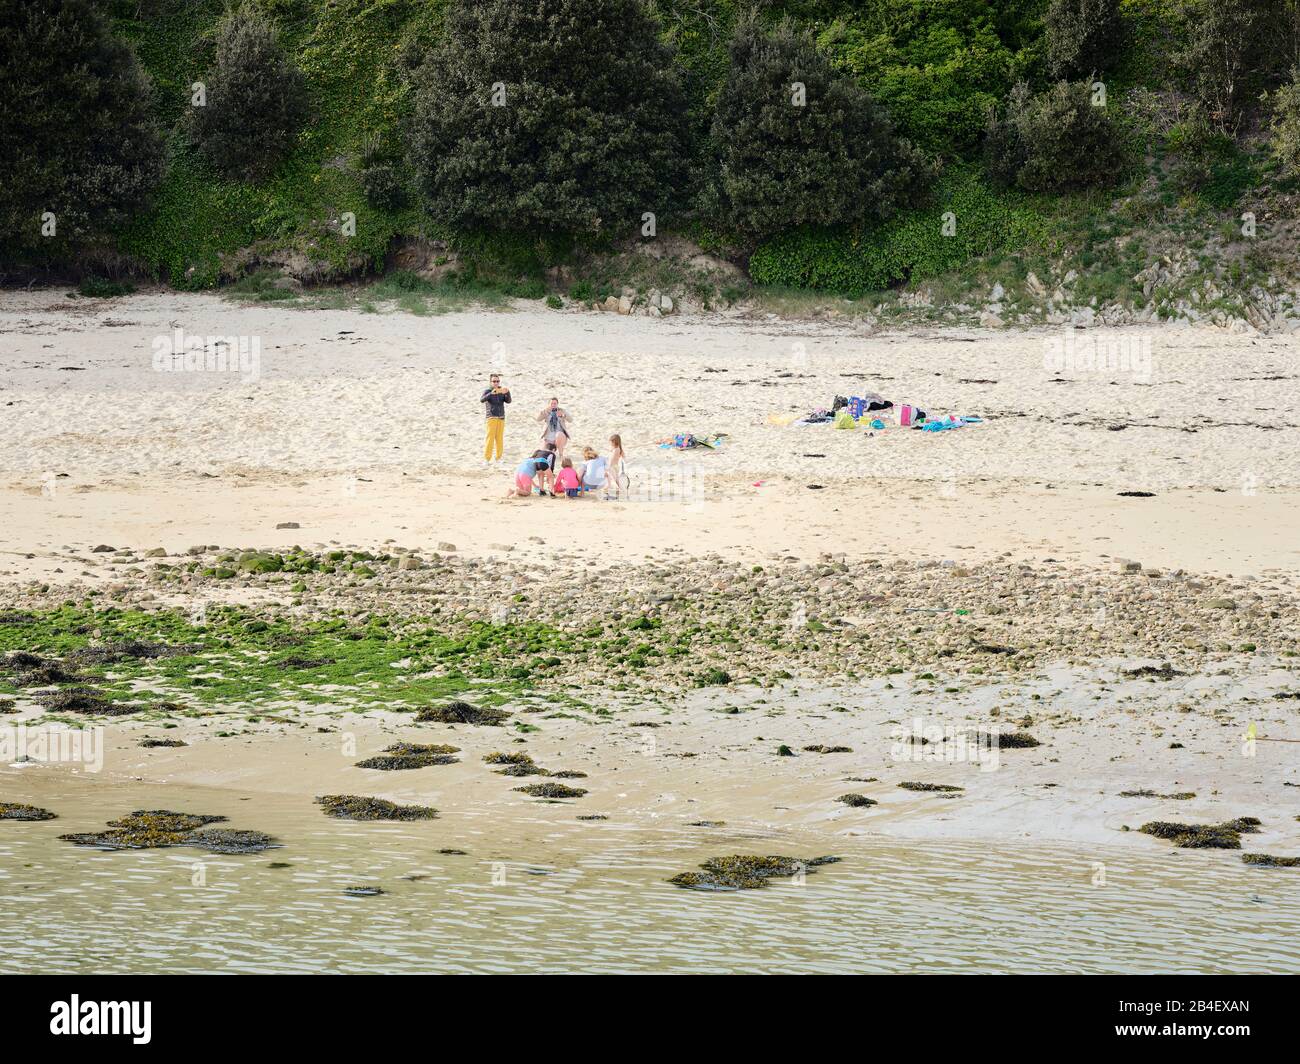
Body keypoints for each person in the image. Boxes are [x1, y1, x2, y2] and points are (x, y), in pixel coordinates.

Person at [481, 373, 511, 463]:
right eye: (494, 381)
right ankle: (487, 459)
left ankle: (498, 458)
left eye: (497, 381)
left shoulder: (501, 390)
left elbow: (508, 401)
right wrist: (491, 393)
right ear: (490, 382)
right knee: (490, 438)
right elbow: (482, 400)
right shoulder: (487, 391)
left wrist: (507, 393)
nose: (496, 383)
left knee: (499, 439)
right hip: (491, 417)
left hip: (501, 417)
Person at [604, 433, 626, 500]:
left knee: (612, 479)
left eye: (611, 442)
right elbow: (624, 457)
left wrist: (607, 468)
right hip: (616, 466)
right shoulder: (619, 449)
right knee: (615, 480)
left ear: (614, 442)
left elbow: (612, 459)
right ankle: (622, 491)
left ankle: (618, 490)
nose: (610, 443)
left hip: (612, 467)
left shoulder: (616, 450)